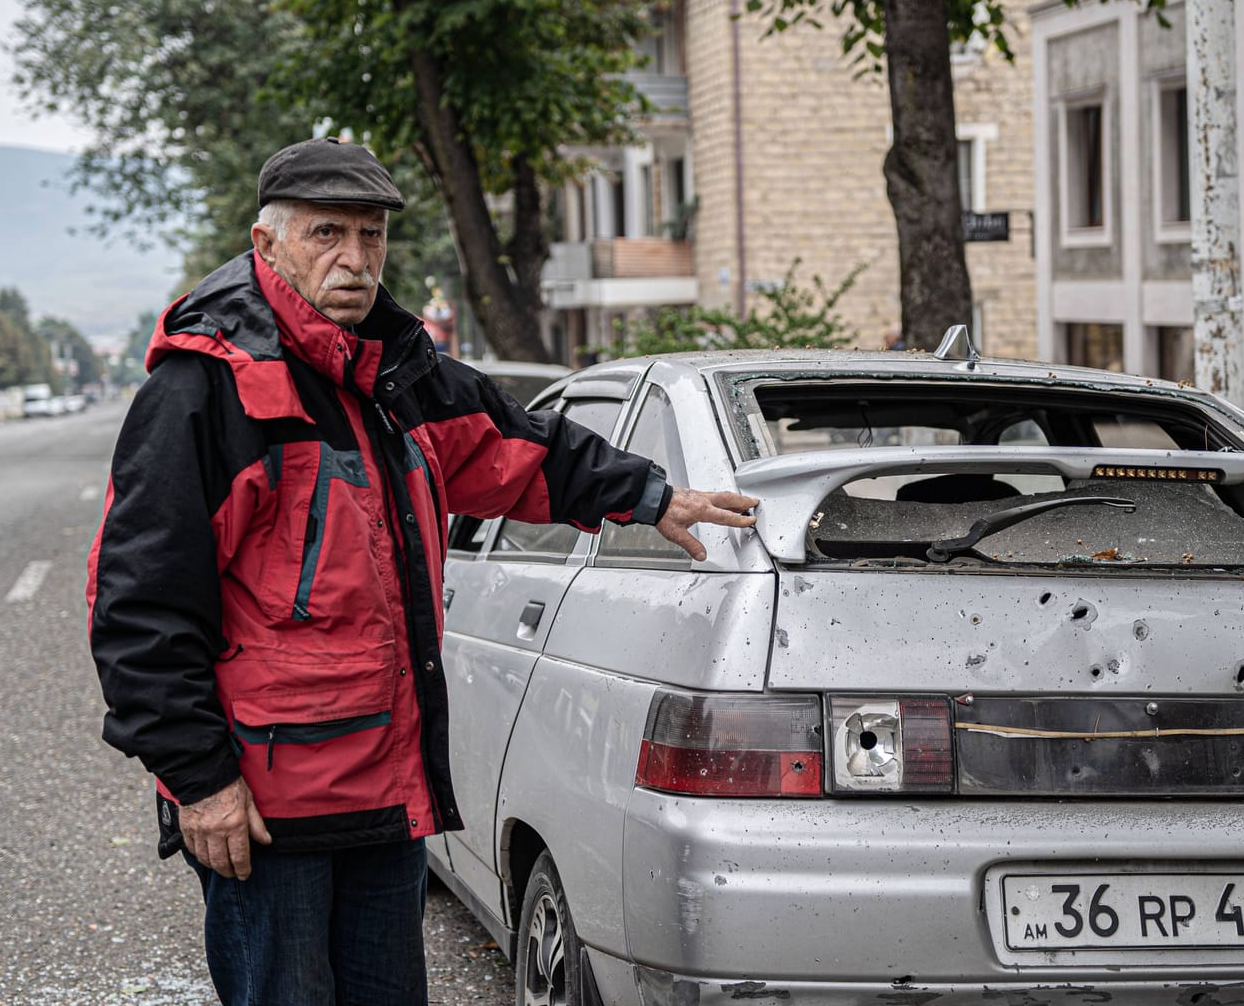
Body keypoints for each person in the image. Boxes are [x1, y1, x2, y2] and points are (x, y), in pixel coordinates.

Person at [85, 137, 758, 1006]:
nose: (355, 259)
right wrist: (200, 782)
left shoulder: (395, 371)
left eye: (371, 237)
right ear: (266, 244)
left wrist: (653, 496)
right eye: (328, 233)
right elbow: (137, 609)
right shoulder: (206, 392)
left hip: (384, 794)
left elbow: (519, 449)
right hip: (267, 809)